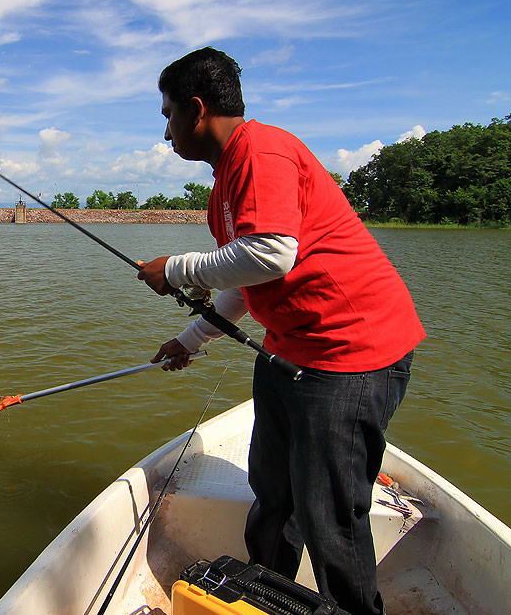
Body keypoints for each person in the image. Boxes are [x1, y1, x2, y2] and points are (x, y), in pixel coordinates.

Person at [136, 47, 425, 615]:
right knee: (273, 500)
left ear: (197, 110)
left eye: (168, 115)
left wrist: (172, 269)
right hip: (287, 353)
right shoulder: (226, 180)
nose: (166, 131)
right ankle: (264, 599)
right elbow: (247, 280)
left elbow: (271, 254)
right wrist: (191, 339)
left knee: (331, 521)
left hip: (351, 356)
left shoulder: (261, 151)